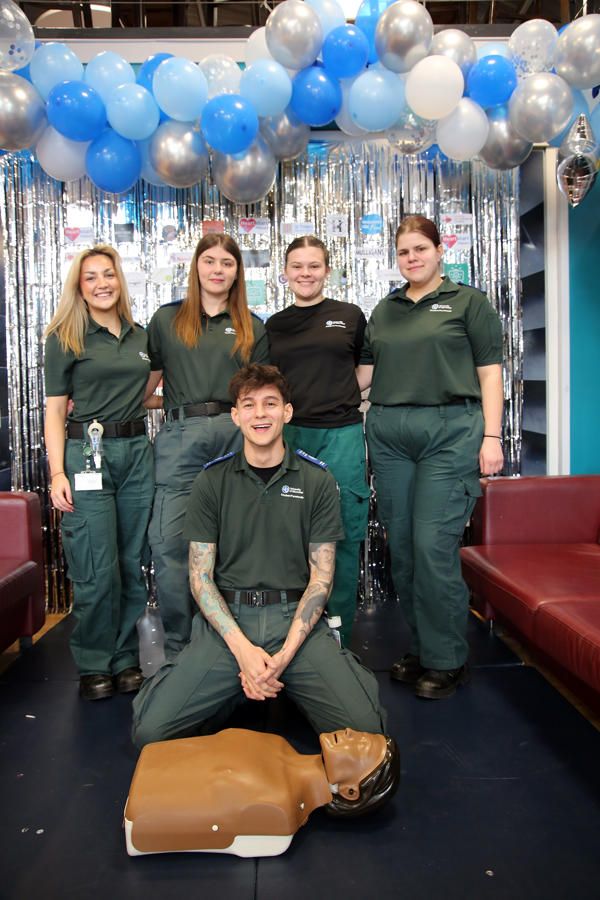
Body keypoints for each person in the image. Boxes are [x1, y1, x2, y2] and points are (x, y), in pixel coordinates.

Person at [132, 364, 385, 748]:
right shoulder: (210, 481)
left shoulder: (317, 481)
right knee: (149, 732)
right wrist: (243, 651)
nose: (260, 414)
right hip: (229, 624)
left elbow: (321, 580)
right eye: (249, 405)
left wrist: (282, 657)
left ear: (287, 411)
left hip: (294, 622)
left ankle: (278, 685)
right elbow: (199, 578)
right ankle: (232, 691)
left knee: (368, 733)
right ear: (235, 416)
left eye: (271, 403)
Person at [356, 215, 504, 700]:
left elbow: (489, 374)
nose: (412, 258)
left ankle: (447, 659)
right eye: (403, 252)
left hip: (450, 431)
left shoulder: (468, 303)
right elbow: (365, 376)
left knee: (432, 546)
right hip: (392, 432)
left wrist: (493, 436)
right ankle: (423, 648)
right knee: (401, 545)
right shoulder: (386, 309)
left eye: (420, 248)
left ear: (441, 250)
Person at [144, 234, 269, 657]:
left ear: (237, 271)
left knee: (237, 543)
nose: (218, 269)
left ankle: (231, 647)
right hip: (181, 436)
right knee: (171, 542)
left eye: (227, 263)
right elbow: (144, 391)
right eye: (209, 261)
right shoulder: (167, 320)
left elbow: (261, 398)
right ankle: (181, 650)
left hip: (236, 436)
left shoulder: (253, 325)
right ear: (195, 267)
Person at [44, 245, 154, 701]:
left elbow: (147, 397)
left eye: (108, 274)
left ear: (119, 279)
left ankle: (126, 657)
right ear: (80, 287)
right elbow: (53, 411)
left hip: (136, 453)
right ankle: (94, 662)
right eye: (90, 278)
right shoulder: (65, 336)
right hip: (86, 456)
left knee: (130, 562)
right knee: (96, 566)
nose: (102, 283)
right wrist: (56, 472)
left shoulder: (141, 336)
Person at [266, 236, 370, 647]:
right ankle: (291, 635)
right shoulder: (275, 325)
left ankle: (337, 633)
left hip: (342, 435)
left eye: (314, 266)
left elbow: (367, 369)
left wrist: (340, 395)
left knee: (340, 533)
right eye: (297, 266)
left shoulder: (350, 316)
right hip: (291, 436)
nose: (305, 274)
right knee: (291, 536)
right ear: (285, 274)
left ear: (328, 270)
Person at [124, 727, 399, 857]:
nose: (352, 732)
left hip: (148, 807)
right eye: (361, 735)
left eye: (362, 745)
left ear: (350, 792)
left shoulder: (278, 806)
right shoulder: (279, 745)